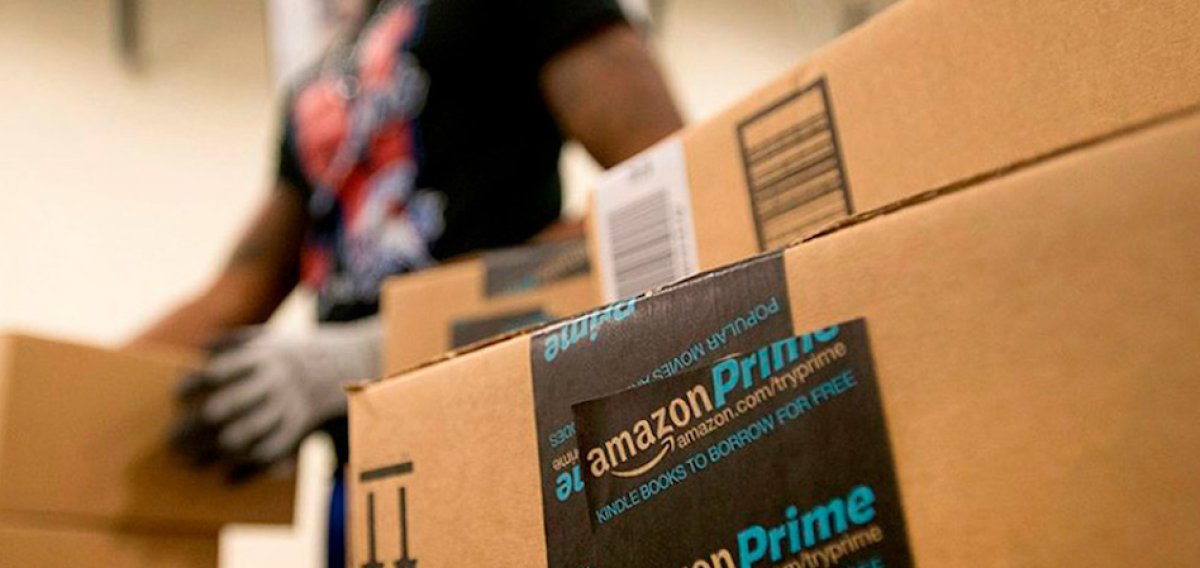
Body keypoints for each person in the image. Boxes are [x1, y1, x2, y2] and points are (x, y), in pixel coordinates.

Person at [132, 0, 682, 565]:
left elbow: (663, 185)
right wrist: (82, 393)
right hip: (365, 474)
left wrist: (390, 347)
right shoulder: (322, 74)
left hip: (495, 453)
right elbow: (236, 290)